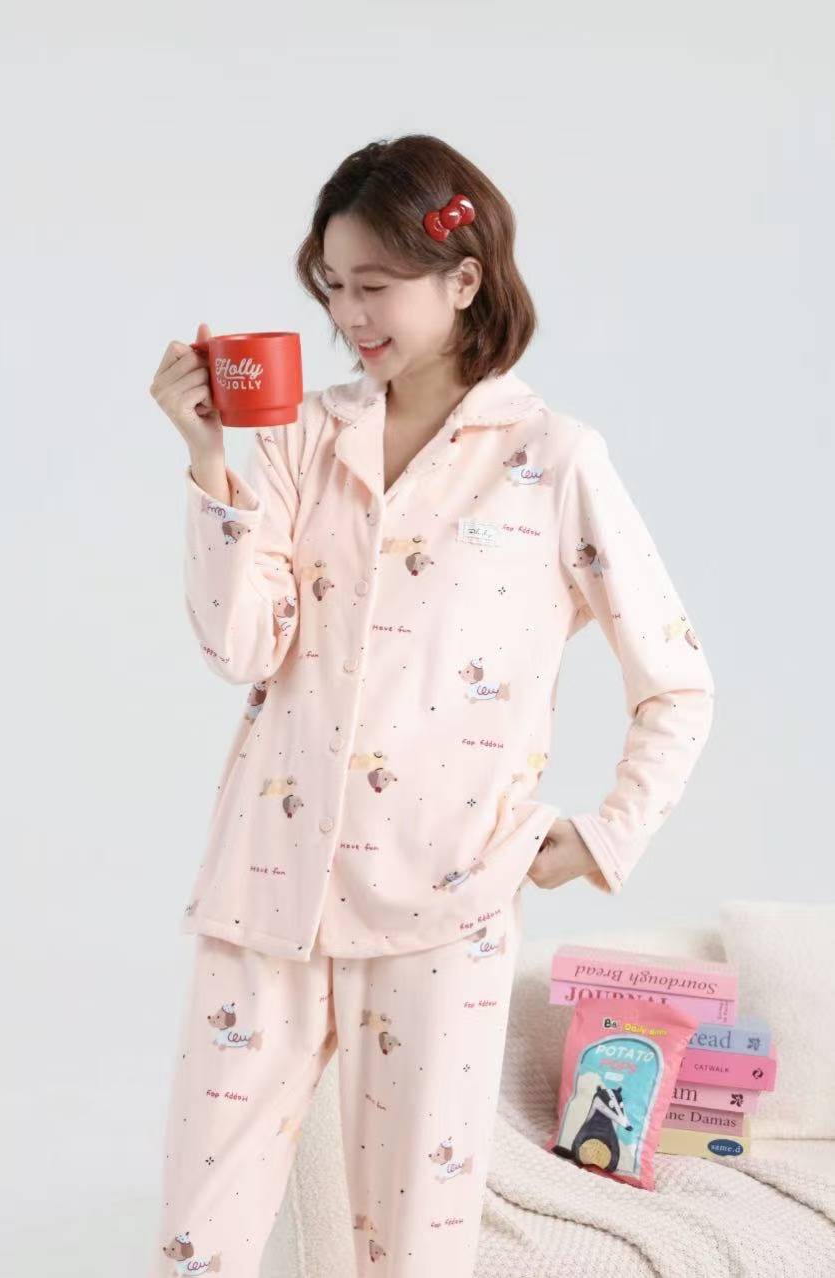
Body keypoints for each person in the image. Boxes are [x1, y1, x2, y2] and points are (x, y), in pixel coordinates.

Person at [147, 133, 715, 1277]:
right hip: (268, 887)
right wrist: (211, 460)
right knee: (199, 1240)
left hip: (445, 903)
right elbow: (241, 645)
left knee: (410, 1250)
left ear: (463, 279)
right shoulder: (300, 436)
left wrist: (607, 833)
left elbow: (676, 681)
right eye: (332, 287)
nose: (348, 316)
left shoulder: (554, 460)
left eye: (375, 286)